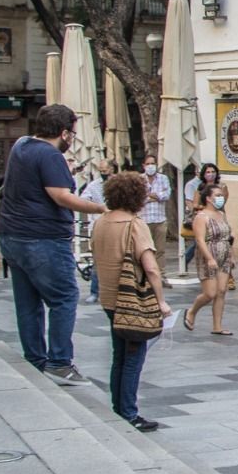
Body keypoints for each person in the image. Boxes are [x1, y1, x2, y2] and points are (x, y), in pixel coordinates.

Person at [0, 105, 104, 385]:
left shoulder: (21, 146)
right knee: (64, 297)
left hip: (13, 237)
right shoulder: (50, 154)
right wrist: (101, 209)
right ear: (63, 132)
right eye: (72, 133)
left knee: (28, 302)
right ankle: (59, 363)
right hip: (43, 238)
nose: (72, 139)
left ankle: (34, 359)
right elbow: (61, 196)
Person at [90, 171, 170, 432]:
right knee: (134, 355)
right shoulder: (135, 225)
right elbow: (151, 268)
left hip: (109, 297)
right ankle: (129, 411)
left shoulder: (101, 222)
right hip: (132, 299)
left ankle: (118, 406)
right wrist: (161, 302)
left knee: (119, 355)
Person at [186, 183, 234, 335]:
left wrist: (231, 255)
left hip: (224, 255)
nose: (221, 198)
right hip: (209, 255)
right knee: (210, 293)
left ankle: (217, 326)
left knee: (221, 291)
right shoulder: (201, 217)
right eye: (217, 196)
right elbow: (200, 240)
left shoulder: (222, 214)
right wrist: (209, 258)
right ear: (208, 198)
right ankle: (192, 311)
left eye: (221, 195)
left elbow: (228, 237)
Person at [80, 160, 113, 303]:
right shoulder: (94, 185)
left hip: (116, 225)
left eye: (105, 170)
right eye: (100, 170)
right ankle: (95, 292)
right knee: (97, 260)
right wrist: (96, 207)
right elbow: (83, 200)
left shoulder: (120, 183)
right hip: (98, 226)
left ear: (111, 169)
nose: (102, 173)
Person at [184, 163, 220, 269]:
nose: (211, 174)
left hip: (217, 217)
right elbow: (193, 203)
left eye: (213, 172)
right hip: (203, 218)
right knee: (201, 241)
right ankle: (188, 258)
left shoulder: (221, 186)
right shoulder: (199, 187)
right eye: (208, 172)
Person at [140, 154, 172, 261]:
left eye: (152, 163)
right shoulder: (139, 179)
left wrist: (150, 195)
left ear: (156, 165)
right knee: (145, 250)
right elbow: (139, 198)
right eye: (148, 164)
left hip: (160, 220)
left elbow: (167, 195)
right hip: (144, 221)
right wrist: (156, 197)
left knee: (160, 250)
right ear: (143, 165)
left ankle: (161, 274)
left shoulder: (163, 178)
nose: (150, 166)